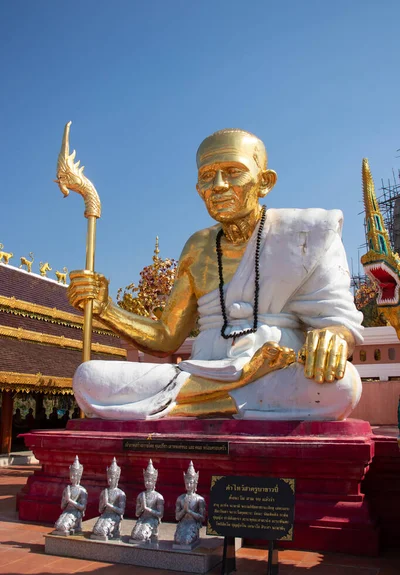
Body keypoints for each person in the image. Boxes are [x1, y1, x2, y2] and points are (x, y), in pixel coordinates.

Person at [68, 129, 363, 421]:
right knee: (89, 377)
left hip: (278, 372)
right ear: (198, 188)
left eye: (233, 171)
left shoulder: (307, 233)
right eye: (207, 176)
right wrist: (106, 309)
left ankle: (173, 408)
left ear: (265, 182)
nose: (218, 185)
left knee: (342, 386)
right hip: (202, 372)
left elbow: (339, 322)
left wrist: (335, 337)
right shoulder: (198, 247)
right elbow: (167, 338)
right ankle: (231, 394)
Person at [129, 459, 164, 544]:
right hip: (142, 518)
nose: (147, 483)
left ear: (154, 481)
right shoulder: (141, 495)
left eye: (150, 481)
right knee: (134, 535)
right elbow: (137, 514)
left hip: (152, 519)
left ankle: (153, 532)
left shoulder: (158, 496)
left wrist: (147, 509)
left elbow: (160, 514)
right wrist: (142, 508)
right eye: (146, 481)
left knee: (140, 536)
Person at [91, 458, 126, 541]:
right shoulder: (104, 492)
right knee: (96, 530)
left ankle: (115, 528)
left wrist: (109, 504)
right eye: (108, 477)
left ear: (117, 478)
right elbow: (100, 510)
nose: (110, 480)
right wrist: (104, 503)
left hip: (115, 516)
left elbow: (121, 511)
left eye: (112, 478)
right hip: (105, 515)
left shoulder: (120, 493)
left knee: (102, 531)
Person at [52, 456, 87, 536]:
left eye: (74, 475)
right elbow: (62, 506)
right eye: (71, 475)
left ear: (79, 476)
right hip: (67, 511)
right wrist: (65, 499)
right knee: (57, 525)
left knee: (63, 527)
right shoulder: (67, 489)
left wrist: (70, 500)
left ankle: (76, 525)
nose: (72, 477)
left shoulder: (82, 491)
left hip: (76, 513)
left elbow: (82, 507)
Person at [174, 461, 206, 548]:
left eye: (191, 483)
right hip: (183, 523)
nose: (188, 485)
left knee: (186, 540)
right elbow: (177, 517)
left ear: (195, 483)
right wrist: (184, 510)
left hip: (193, 524)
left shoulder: (199, 499)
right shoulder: (180, 498)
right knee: (178, 540)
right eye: (187, 483)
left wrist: (190, 511)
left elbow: (202, 518)